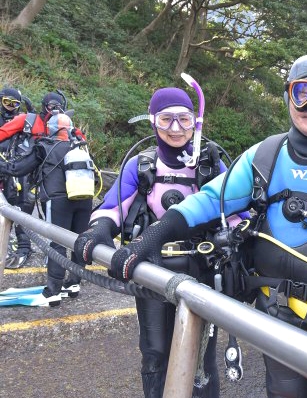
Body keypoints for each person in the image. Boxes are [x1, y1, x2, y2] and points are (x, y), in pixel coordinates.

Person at [97, 53, 307, 397]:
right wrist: (151, 237)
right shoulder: (265, 156)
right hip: (277, 317)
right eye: (303, 92)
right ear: (287, 96)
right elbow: (209, 200)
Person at [74, 87, 247, 398]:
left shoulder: (211, 165)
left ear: (196, 122)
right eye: (167, 120)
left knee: (201, 358)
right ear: (153, 122)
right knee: (154, 352)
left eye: (184, 119)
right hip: (152, 271)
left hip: (202, 271)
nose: (176, 129)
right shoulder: (141, 166)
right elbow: (113, 207)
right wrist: (97, 230)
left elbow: (239, 215)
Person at [0, 112, 93, 306]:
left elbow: (17, 169)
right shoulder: (79, 147)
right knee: (78, 241)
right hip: (85, 200)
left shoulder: (43, 146)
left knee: (56, 243)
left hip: (58, 202)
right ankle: (73, 284)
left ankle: (52, 292)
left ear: (49, 129)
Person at [0, 87, 35, 268]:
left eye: (15, 104)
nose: (11, 107)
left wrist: (32, 111)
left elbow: (38, 128)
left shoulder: (22, 120)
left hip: (18, 170)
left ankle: (24, 248)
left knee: (22, 207)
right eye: (7, 102)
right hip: (3, 168)